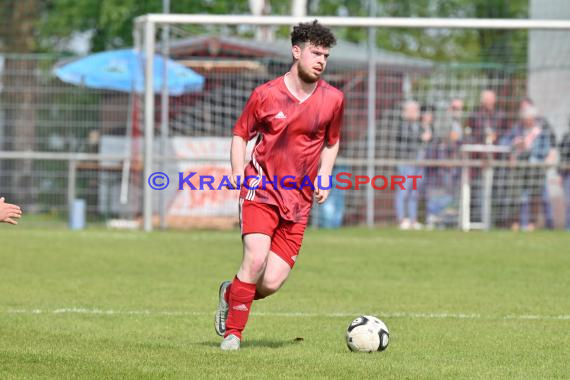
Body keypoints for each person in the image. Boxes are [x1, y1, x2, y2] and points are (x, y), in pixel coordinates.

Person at [214, 21, 344, 351]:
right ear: (296, 51)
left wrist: (325, 175)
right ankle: (233, 334)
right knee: (255, 260)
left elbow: (332, 142)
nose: (321, 61)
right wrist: (237, 168)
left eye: (326, 55)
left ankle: (232, 293)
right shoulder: (266, 94)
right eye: (315, 53)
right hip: (261, 191)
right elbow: (240, 133)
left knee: (270, 282)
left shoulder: (333, 99)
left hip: (298, 202)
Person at [499, 105, 550, 231]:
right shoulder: (517, 130)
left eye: (528, 118)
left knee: (534, 195)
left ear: (533, 118)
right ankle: (515, 223)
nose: (526, 121)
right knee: (515, 196)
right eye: (524, 119)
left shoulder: (541, 131)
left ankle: (532, 223)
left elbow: (545, 150)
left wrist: (530, 149)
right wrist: (515, 143)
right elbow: (502, 142)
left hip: (535, 168)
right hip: (519, 167)